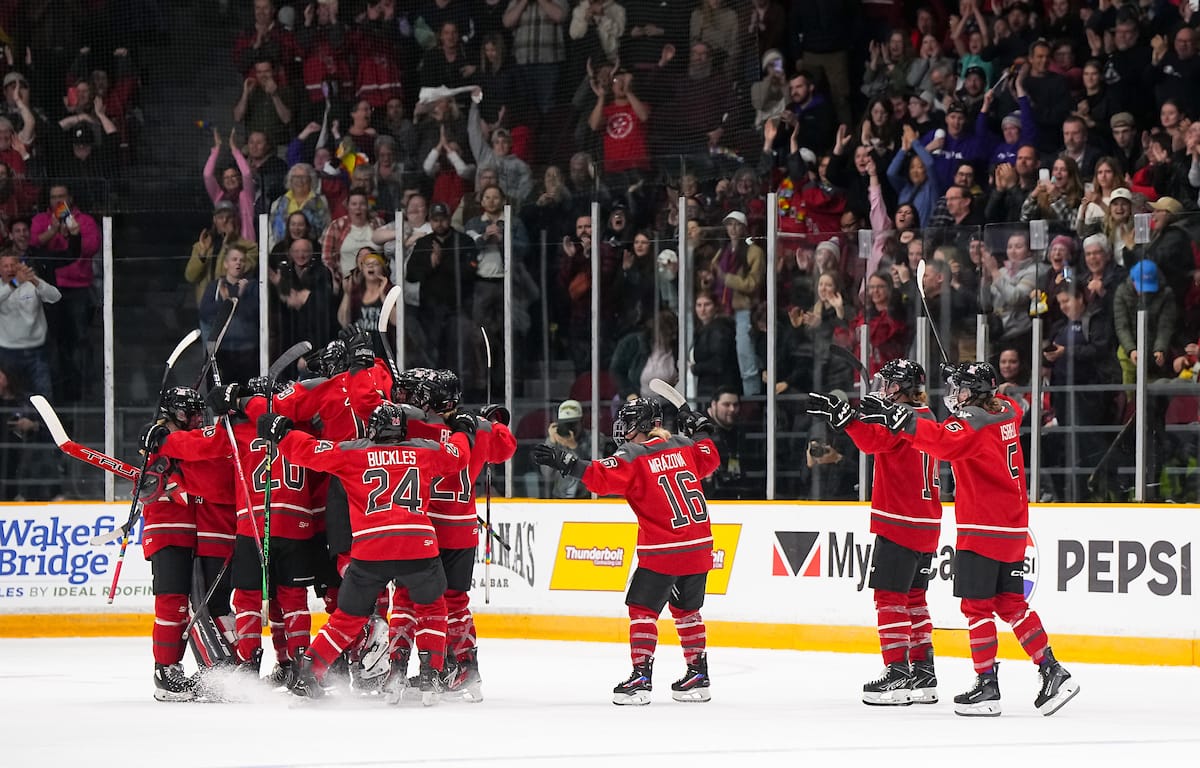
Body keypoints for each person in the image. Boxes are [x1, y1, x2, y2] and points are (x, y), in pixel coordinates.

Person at [857, 361, 1080, 717]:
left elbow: (941, 443)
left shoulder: (971, 424)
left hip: (982, 527)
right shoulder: (1007, 411)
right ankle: (1052, 669)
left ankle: (987, 684)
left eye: (959, 389)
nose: (954, 395)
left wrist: (902, 420)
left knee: (976, 608)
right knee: (1011, 603)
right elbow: (973, 420)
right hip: (1013, 527)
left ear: (974, 393)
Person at [259, 400, 473, 703]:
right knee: (432, 610)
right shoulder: (424, 451)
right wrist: (464, 431)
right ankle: (431, 675)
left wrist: (282, 433)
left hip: (371, 548)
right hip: (417, 544)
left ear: (372, 429)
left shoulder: (353, 453)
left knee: (347, 618)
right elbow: (459, 455)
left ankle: (308, 674)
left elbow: (309, 451)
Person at [532, 397, 722, 704]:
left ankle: (641, 679)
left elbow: (601, 478)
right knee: (687, 611)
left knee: (642, 610)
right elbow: (710, 458)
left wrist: (565, 462)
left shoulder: (635, 454)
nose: (624, 430)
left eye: (630, 424)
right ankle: (698, 676)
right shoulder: (684, 445)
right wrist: (700, 430)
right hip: (699, 546)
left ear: (644, 425)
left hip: (663, 548)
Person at [808, 359, 942, 707]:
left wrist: (847, 420)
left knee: (889, 598)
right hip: (926, 523)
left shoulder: (901, 419)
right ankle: (923, 672)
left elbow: (871, 442)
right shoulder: (925, 415)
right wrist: (852, 418)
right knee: (914, 599)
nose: (882, 389)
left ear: (901, 387)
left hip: (900, 521)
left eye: (889, 383)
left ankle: (897, 673)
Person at [0, 250, 60, 397]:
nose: (9, 269)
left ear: (19, 266)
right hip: (8, 353)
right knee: (11, 397)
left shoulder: (31, 285)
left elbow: (55, 297)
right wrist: (15, 283)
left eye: (13, 265)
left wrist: (34, 280)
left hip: (36, 351)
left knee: (43, 397)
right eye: (5, 266)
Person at [541, 399, 592, 499]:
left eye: (572, 424)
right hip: (559, 497)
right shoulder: (555, 440)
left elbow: (597, 469)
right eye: (566, 424)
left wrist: (575, 447)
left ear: (581, 422)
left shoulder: (593, 438)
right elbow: (546, 474)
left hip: (586, 497)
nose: (570, 429)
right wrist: (551, 443)